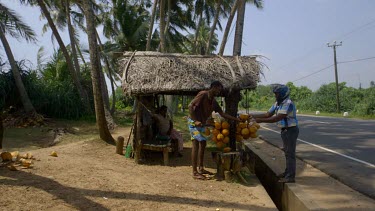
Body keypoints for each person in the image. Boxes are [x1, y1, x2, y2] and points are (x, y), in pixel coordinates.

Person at [188, 81, 242, 180]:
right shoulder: (203, 94)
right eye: (218, 88)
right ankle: (194, 172)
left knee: (203, 143)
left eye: (220, 89)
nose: (219, 91)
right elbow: (190, 106)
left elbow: (223, 114)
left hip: (202, 124)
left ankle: (201, 168)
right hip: (193, 123)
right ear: (213, 87)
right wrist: (195, 120)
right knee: (196, 143)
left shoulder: (213, 101)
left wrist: (236, 119)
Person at [250, 84, 299, 183]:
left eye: (277, 94)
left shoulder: (287, 103)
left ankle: (290, 177)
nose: (275, 96)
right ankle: (287, 172)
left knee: (290, 154)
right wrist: (251, 116)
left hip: (291, 130)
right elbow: (268, 114)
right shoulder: (278, 103)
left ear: (282, 94)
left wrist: (258, 121)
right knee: (287, 152)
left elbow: (276, 118)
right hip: (285, 130)